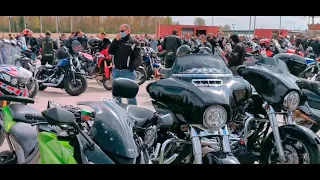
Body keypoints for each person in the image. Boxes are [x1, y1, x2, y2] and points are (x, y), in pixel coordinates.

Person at [108, 24, 142, 105]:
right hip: (116, 71)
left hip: (127, 72)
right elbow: (110, 52)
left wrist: (131, 68)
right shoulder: (117, 41)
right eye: (120, 31)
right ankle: (118, 111)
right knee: (116, 95)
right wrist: (115, 41)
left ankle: (133, 112)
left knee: (130, 95)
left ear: (128, 31)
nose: (121, 32)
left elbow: (138, 57)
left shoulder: (134, 42)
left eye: (122, 31)